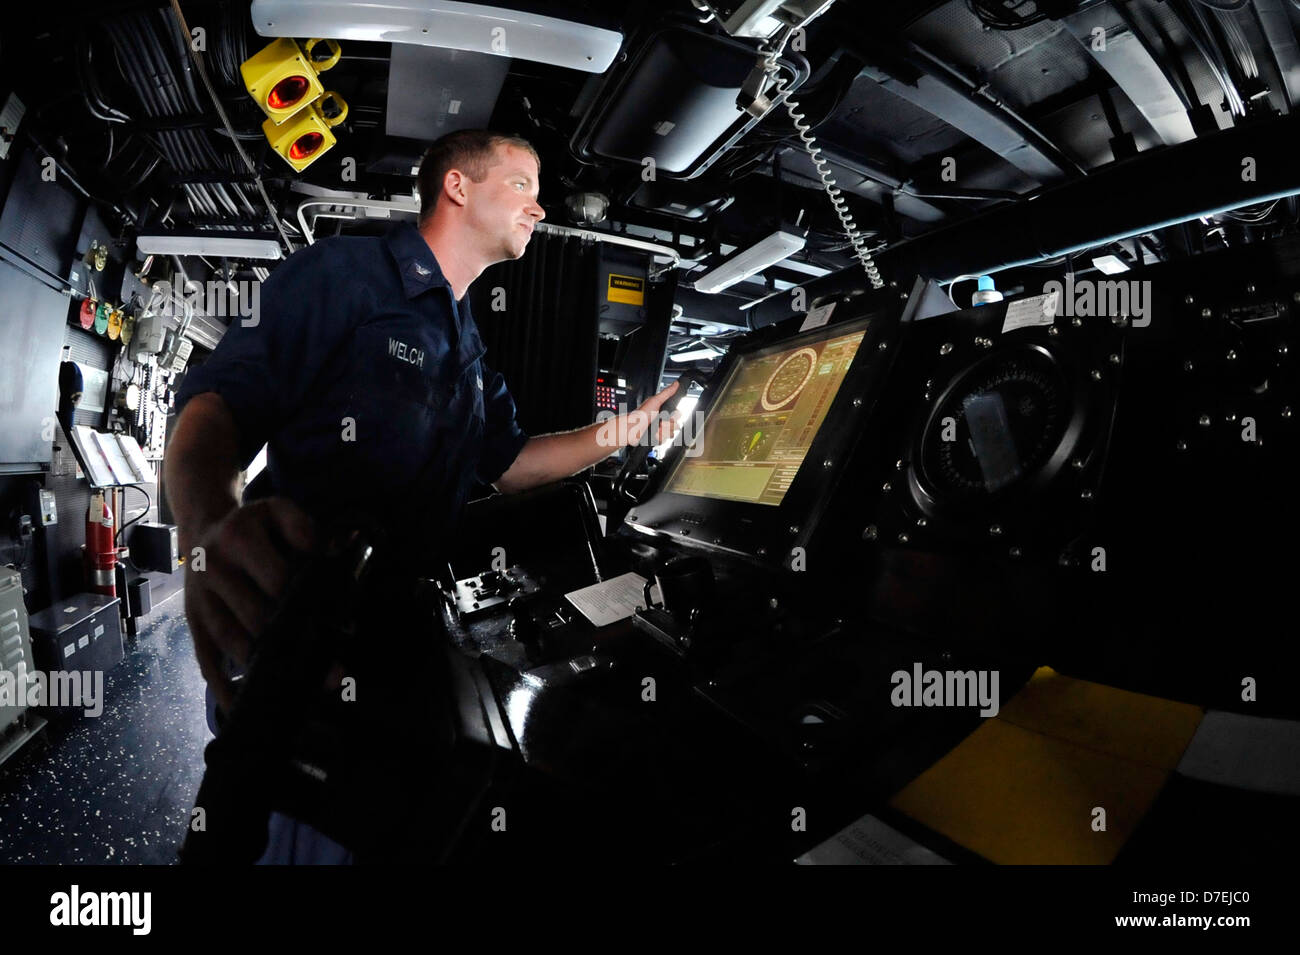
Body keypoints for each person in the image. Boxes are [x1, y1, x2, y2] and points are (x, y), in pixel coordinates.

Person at [163, 128, 680, 862]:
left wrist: (623, 432)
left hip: (396, 651)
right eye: (524, 183)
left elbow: (511, 463)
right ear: (458, 187)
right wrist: (208, 524)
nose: (540, 207)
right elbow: (215, 408)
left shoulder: (467, 346)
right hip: (303, 645)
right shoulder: (345, 276)